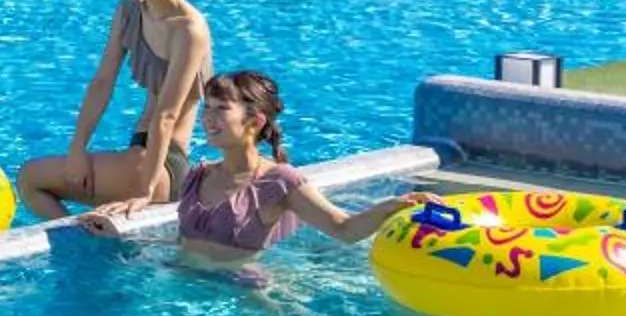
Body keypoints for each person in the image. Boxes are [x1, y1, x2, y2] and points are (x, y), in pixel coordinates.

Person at [75, 70, 426, 267]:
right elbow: (187, 243)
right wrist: (122, 236)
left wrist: (393, 206)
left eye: (221, 109)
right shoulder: (199, 175)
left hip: (242, 296)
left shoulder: (277, 182)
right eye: (207, 108)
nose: (208, 118)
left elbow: (345, 228)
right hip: (184, 287)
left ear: (255, 121)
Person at [15, 0, 211, 220]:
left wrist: (146, 191)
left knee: (30, 178)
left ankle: (85, 252)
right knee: (36, 180)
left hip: (161, 164)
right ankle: (92, 247)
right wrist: (77, 149)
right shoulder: (129, 10)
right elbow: (102, 83)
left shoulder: (189, 29)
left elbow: (167, 115)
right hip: (138, 153)